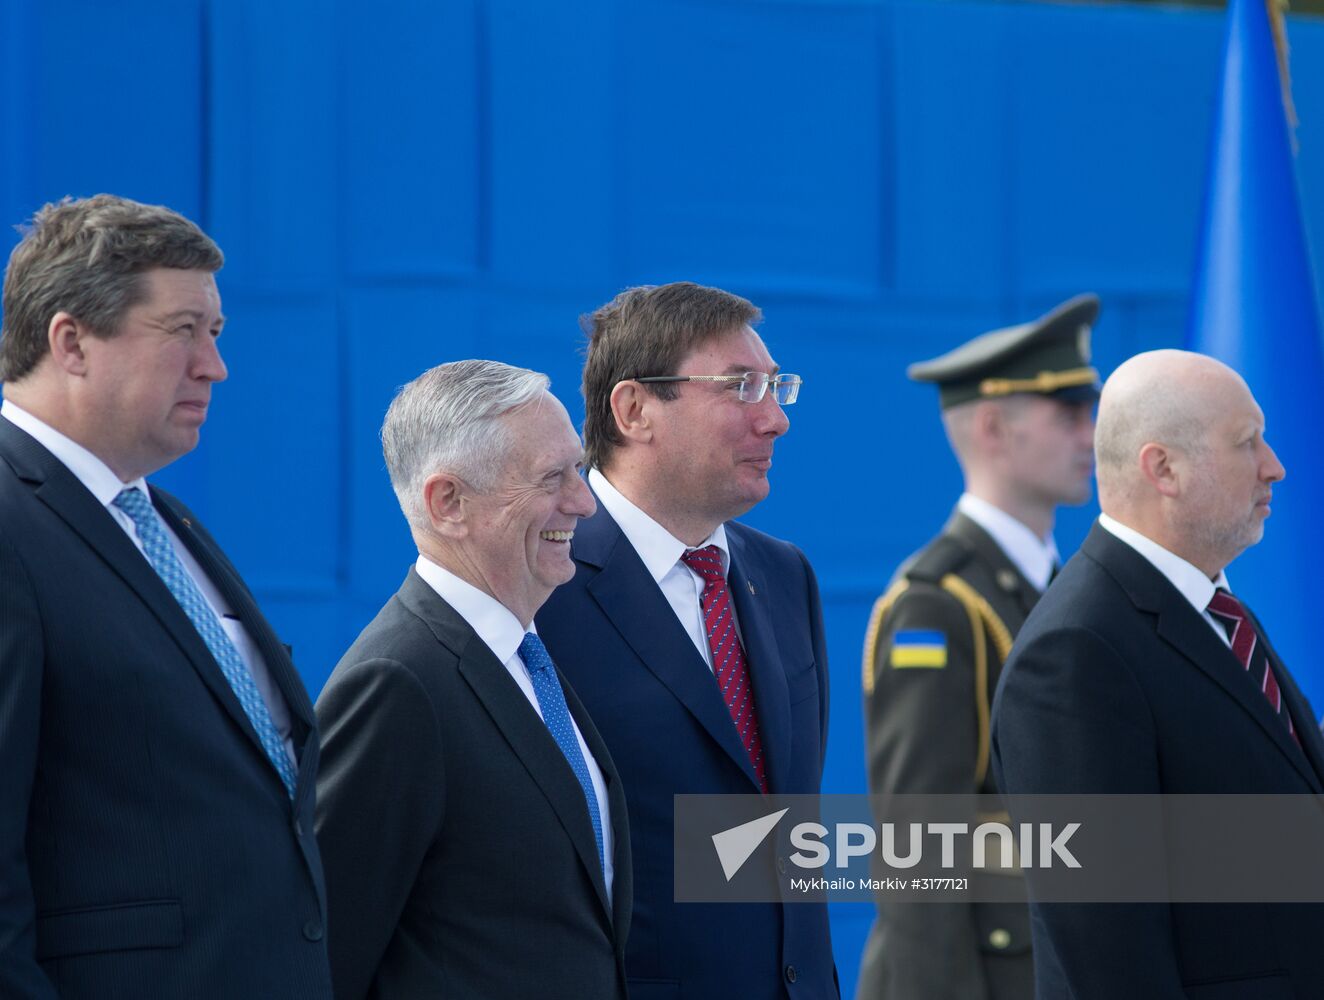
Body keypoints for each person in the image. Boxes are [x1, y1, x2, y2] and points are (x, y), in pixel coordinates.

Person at [0, 195, 331, 998]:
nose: (215, 365)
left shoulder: (161, 519)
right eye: (182, 330)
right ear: (71, 341)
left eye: (214, 335)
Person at [991, 349, 1324, 996]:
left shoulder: (1215, 610)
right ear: (1162, 467)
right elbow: (1107, 949)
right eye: (1247, 443)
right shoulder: (1075, 650)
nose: (1274, 467)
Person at [536, 281, 836, 999]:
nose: (775, 420)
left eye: (776, 386)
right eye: (741, 387)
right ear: (635, 409)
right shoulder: (541, 585)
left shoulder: (783, 574)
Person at [314, 360, 631, 1000]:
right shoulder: (398, 684)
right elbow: (324, 953)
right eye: (551, 477)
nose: (584, 502)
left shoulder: (524, 657)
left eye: (579, 469)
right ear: (448, 503)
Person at [857, 294, 1100, 1000]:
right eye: (1069, 411)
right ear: (993, 424)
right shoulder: (939, 605)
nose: (1091, 433)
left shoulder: (1057, 588)